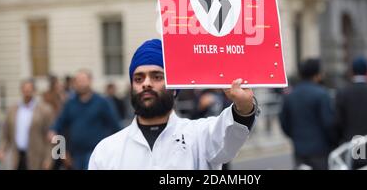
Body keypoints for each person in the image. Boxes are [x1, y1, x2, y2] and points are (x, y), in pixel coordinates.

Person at [88, 39, 259, 170]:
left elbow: (230, 133)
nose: (146, 83)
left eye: (157, 76)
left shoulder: (200, 136)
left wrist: (244, 105)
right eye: (139, 78)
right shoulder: (106, 150)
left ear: (174, 88)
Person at [49, 69, 121, 170]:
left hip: (96, 154)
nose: (80, 84)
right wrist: (62, 153)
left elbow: (116, 127)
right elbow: (55, 129)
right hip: (75, 157)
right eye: (77, 81)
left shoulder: (102, 102)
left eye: (83, 80)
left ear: (90, 81)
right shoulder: (70, 104)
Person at [279, 58, 336, 170]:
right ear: (317, 75)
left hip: (299, 149)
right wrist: (333, 142)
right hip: (320, 150)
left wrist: (295, 136)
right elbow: (328, 123)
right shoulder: (322, 94)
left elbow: (284, 122)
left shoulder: (290, 95)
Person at [0, 79, 55, 170]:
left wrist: (49, 158)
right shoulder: (12, 110)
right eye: (25, 89)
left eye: (30, 89)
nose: (27, 92)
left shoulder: (44, 110)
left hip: (37, 157)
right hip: (17, 156)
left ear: (34, 91)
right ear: (21, 90)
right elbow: (6, 134)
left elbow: (50, 137)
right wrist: (2, 149)